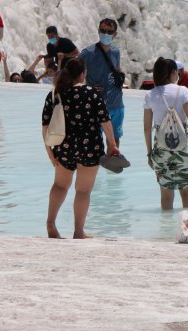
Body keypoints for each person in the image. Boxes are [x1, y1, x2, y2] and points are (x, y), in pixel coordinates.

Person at [42, 58, 118, 239]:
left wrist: (49, 152)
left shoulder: (56, 94)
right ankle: (78, 231)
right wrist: (113, 145)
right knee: (83, 190)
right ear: (83, 74)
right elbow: (105, 122)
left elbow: (46, 126)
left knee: (60, 185)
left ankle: (51, 224)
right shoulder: (92, 94)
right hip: (89, 147)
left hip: (63, 147)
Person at [143, 57, 188, 210]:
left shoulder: (150, 95)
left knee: (166, 194)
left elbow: (147, 128)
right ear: (174, 73)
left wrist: (149, 154)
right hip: (184, 147)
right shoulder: (183, 91)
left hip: (161, 148)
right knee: (187, 191)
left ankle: (166, 231)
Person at [78, 18, 129, 163]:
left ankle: (111, 172)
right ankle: (95, 176)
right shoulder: (87, 53)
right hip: (96, 106)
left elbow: (116, 69)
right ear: (98, 31)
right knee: (94, 142)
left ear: (115, 34)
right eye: (103, 31)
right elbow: (74, 76)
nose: (105, 34)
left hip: (116, 104)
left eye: (109, 32)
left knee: (114, 140)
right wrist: (88, 88)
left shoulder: (116, 52)